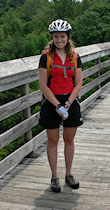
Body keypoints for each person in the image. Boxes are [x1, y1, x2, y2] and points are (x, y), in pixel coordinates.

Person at [38, 19, 83, 193]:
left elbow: (78, 83)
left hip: (70, 101)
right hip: (51, 102)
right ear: (52, 37)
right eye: (56, 36)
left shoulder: (75, 57)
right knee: (52, 141)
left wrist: (69, 103)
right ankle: (54, 176)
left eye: (62, 36)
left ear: (67, 37)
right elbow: (43, 86)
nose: (59, 40)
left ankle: (69, 174)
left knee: (69, 140)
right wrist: (58, 106)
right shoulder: (46, 57)